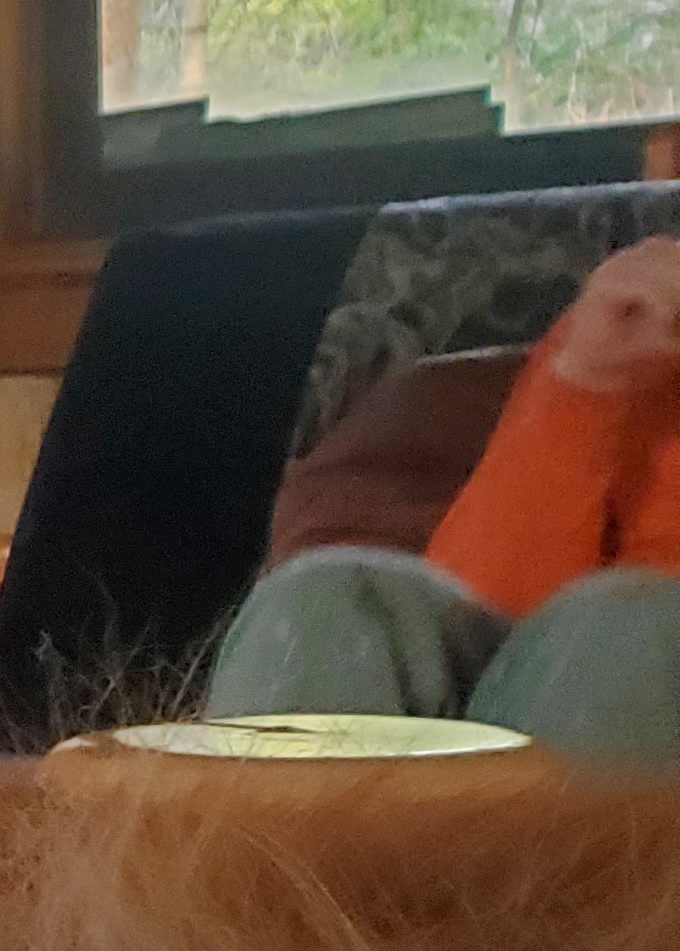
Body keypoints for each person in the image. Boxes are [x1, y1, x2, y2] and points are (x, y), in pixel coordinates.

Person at [207, 238, 680, 764]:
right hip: (560, 702)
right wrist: (588, 383)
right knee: (326, 596)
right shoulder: (639, 324)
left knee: (632, 624)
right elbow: (500, 602)